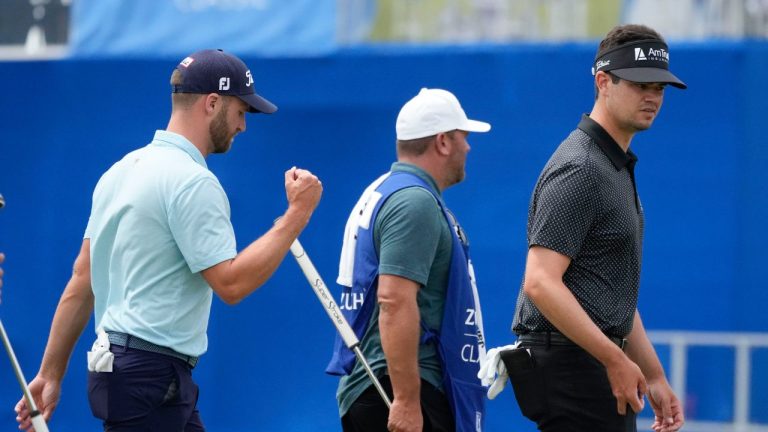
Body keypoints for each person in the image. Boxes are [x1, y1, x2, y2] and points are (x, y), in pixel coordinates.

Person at [15, 49, 323, 431]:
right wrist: (297, 215)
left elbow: (82, 280)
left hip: (130, 373)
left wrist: (50, 373)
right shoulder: (194, 181)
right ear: (212, 103)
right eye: (241, 111)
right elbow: (232, 283)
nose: (243, 125)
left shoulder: (120, 170)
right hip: (150, 376)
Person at [507, 24, 686, 432]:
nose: (652, 97)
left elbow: (611, 293)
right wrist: (614, 358)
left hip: (592, 361)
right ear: (603, 82)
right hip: (575, 367)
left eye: (659, 87)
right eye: (641, 84)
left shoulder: (613, 164)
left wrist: (653, 374)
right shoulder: (581, 167)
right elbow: (540, 282)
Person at [329, 88, 490, 432]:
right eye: (463, 136)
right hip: (400, 391)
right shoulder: (413, 202)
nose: (469, 147)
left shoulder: (387, 190)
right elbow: (393, 299)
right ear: (443, 142)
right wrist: (405, 399)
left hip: (386, 386)